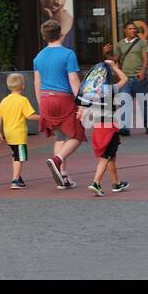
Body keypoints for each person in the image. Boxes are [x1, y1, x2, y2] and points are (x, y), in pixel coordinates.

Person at [34, 18, 83, 189]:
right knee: (77, 135)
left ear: (44, 37)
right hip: (64, 98)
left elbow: (37, 83)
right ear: (61, 33)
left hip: (46, 99)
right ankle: (57, 160)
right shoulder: (68, 54)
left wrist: (41, 105)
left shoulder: (38, 57)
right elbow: (73, 79)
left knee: (60, 136)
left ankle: (63, 175)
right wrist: (82, 103)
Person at [82, 43, 130, 196]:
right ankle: (96, 182)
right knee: (106, 157)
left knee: (111, 157)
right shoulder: (110, 89)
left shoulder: (91, 92)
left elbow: (85, 109)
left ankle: (116, 183)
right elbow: (125, 79)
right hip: (109, 127)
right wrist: (115, 67)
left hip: (98, 127)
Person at [0, 73, 39, 189]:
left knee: (15, 155)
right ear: (23, 86)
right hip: (19, 134)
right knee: (20, 157)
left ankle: (18, 177)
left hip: (8, 134)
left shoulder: (5, 100)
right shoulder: (23, 100)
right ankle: (15, 179)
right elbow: (30, 116)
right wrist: (43, 117)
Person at [114, 22, 148, 135]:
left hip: (138, 77)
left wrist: (143, 71)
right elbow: (116, 58)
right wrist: (105, 53)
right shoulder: (120, 44)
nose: (133, 30)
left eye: (134, 29)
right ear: (125, 30)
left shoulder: (142, 43)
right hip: (125, 78)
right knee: (124, 102)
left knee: (143, 103)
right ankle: (124, 127)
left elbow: (146, 59)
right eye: (130, 29)